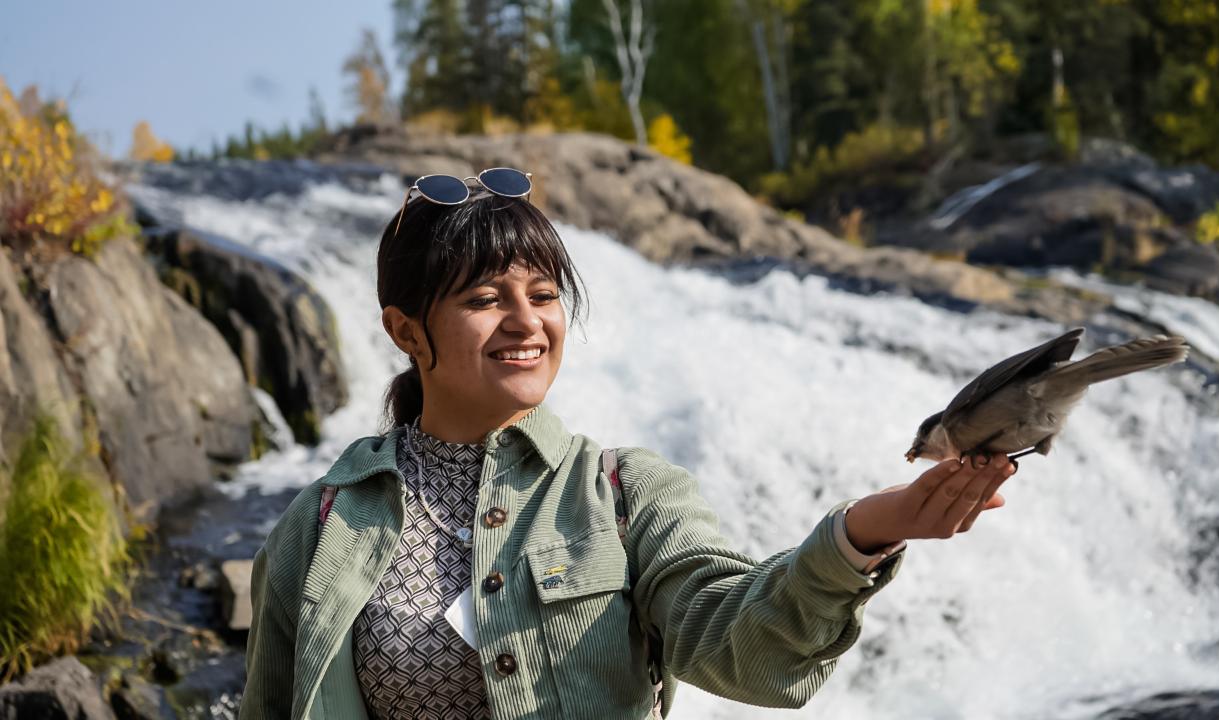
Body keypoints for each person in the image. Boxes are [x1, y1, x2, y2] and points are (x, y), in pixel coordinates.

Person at [240, 170, 1016, 720]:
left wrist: (863, 535)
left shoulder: (623, 494)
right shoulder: (321, 526)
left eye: (543, 296)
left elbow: (746, 647)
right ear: (406, 331)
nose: (526, 322)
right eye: (485, 299)